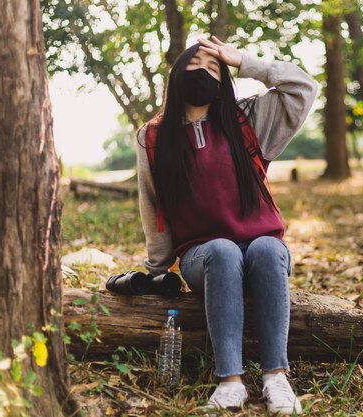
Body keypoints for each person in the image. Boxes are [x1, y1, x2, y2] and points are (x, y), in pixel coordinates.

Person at [136, 35, 318, 414]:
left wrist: (243, 60)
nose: (204, 72)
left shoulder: (248, 120)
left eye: (214, 68)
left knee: (268, 247)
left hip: (262, 251)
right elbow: (152, 207)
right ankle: (230, 382)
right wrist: (156, 272)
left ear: (224, 81)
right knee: (221, 249)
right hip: (203, 256)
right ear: (177, 73)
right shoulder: (153, 137)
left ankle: (276, 378)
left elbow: (304, 88)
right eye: (196, 65)